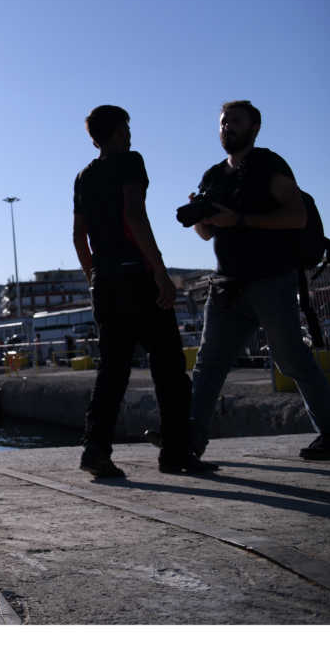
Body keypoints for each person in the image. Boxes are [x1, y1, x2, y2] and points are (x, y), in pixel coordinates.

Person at [188, 100, 330, 460]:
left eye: (235, 122)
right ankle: (189, 443)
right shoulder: (214, 176)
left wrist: (240, 220)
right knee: (208, 365)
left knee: (292, 360)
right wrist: (200, 215)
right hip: (227, 285)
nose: (227, 128)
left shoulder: (268, 165)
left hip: (270, 282)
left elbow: (296, 216)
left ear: (254, 128)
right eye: (223, 122)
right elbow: (204, 235)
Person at [72, 106, 216, 478]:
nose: (130, 134)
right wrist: (160, 272)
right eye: (127, 128)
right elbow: (134, 216)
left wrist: (94, 277)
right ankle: (175, 454)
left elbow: (79, 236)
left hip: (106, 283)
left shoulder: (83, 177)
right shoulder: (131, 162)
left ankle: (96, 449)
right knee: (168, 368)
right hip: (137, 277)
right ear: (119, 132)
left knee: (112, 372)